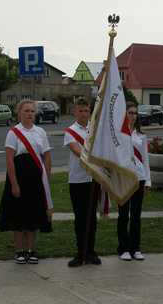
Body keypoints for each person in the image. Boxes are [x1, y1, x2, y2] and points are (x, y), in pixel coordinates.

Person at [0, 99, 53, 264]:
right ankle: (19, 250)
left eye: (32, 111)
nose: (29, 114)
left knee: (34, 215)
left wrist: (47, 179)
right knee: (19, 216)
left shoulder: (41, 132)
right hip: (19, 178)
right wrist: (14, 183)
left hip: (36, 179)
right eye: (26, 111)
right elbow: (9, 160)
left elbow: (47, 157)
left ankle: (31, 250)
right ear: (19, 113)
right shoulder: (13, 133)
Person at [63, 98, 101, 267]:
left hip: (93, 179)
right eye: (81, 111)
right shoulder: (70, 131)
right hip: (77, 180)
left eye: (87, 111)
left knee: (92, 218)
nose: (84, 114)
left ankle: (91, 252)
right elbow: (77, 151)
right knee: (80, 218)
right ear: (75, 111)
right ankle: (80, 253)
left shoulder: (95, 130)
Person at [117, 102, 151, 261]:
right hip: (124, 178)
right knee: (123, 214)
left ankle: (135, 248)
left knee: (136, 215)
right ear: (124, 115)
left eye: (135, 113)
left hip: (140, 178)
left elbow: (145, 159)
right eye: (130, 113)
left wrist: (148, 180)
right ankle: (123, 248)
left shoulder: (141, 136)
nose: (133, 116)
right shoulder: (119, 134)